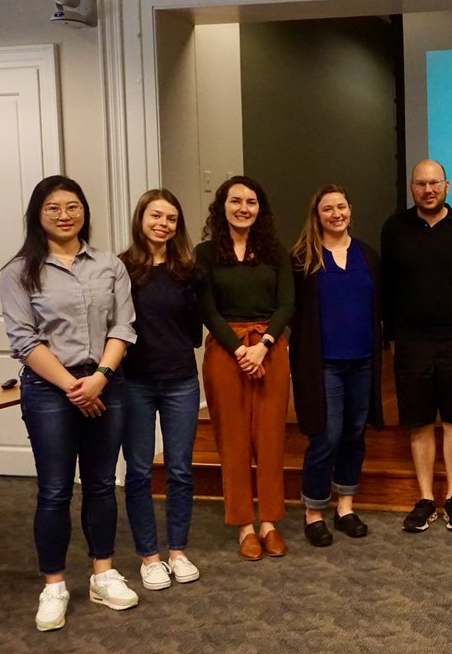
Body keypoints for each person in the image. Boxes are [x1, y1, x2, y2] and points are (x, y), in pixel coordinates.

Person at [0, 175, 139, 631]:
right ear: (38, 215)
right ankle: (54, 584)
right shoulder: (17, 271)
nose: (65, 214)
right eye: (54, 207)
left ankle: (103, 573)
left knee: (101, 484)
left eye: (73, 206)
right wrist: (73, 387)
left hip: (105, 383)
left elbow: (123, 328)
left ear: (84, 211)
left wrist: (99, 378)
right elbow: (25, 341)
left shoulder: (109, 266)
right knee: (55, 490)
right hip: (49, 392)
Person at [381, 160, 452, 533]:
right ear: (412, 188)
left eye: (435, 183)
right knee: (419, 421)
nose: (428, 190)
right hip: (411, 342)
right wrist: (392, 338)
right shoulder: (394, 229)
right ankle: (426, 498)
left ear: (447, 186)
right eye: (421, 184)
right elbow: (387, 290)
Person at [196, 175, 294, 561]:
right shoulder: (205, 253)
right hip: (226, 349)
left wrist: (263, 345)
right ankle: (244, 525)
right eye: (235, 201)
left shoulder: (275, 251)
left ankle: (269, 521)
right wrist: (240, 349)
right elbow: (207, 309)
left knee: (270, 438)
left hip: (270, 346)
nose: (243, 208)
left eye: (251, 202)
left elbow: (287, 303)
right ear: (223, 206)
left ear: (260, 209)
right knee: (233, 439)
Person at [289, 185, 383, 547]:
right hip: (323, 364)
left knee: (353, 434)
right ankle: (314, 511)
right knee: (325, 436)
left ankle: (345, 506)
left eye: (341, 206)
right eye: (327, 209)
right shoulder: (302, 260)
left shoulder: (368, 256)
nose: (336, 214)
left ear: (350, 210)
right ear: (317, 215)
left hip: (362, 362)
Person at [119, 190, 202, 590]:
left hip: (181, 381)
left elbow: (194, 329)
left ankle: (178, 552)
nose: (163, 224)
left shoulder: (187, 269)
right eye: (156, 216)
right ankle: (149, 557)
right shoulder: (120, 269)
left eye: (171, 218)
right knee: (137, 471)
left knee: (180, 470)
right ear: (141, 219)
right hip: (134, 382)